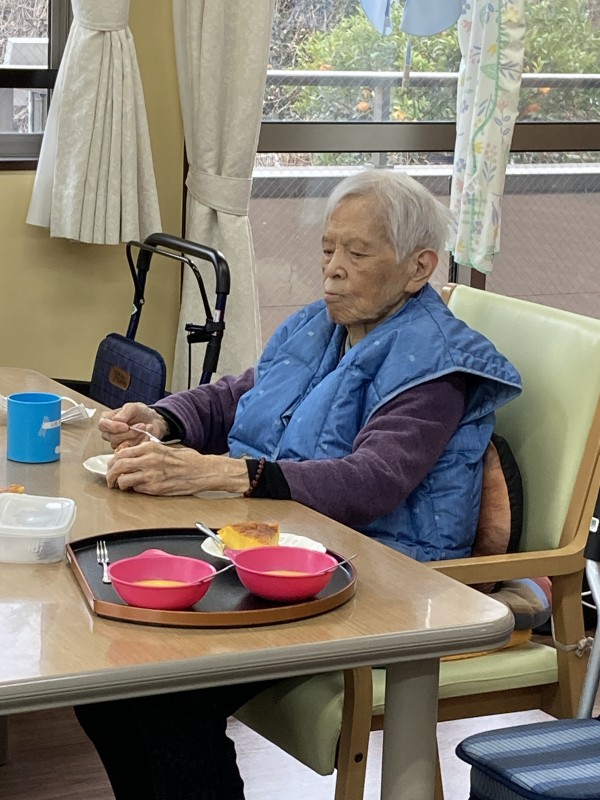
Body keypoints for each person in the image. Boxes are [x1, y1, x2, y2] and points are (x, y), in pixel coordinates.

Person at [75, 169, 522, 799]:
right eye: (328, 249)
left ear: (419, 267)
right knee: (108, 682)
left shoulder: (435, 364)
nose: (333, 269)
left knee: (161, 694)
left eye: (357, 253)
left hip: (381, 574)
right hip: (277, 552)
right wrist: (165, 417)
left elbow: (373, 481)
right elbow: (240, 393)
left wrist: (222, 472)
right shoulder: (319, 325)